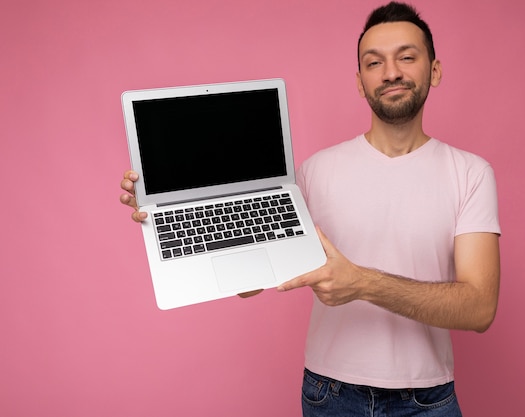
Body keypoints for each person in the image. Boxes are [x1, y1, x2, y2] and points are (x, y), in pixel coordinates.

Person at [120, 2, 501, 416]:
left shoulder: (470, 174)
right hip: (330, 395)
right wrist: (176, 210)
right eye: (374, 63)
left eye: (406, 57)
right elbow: (253, 281)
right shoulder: (314, 173)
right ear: (360, 81)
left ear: (435, 69)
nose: (391, 72)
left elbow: (479, 308)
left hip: (428, 399)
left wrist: (363, 283)